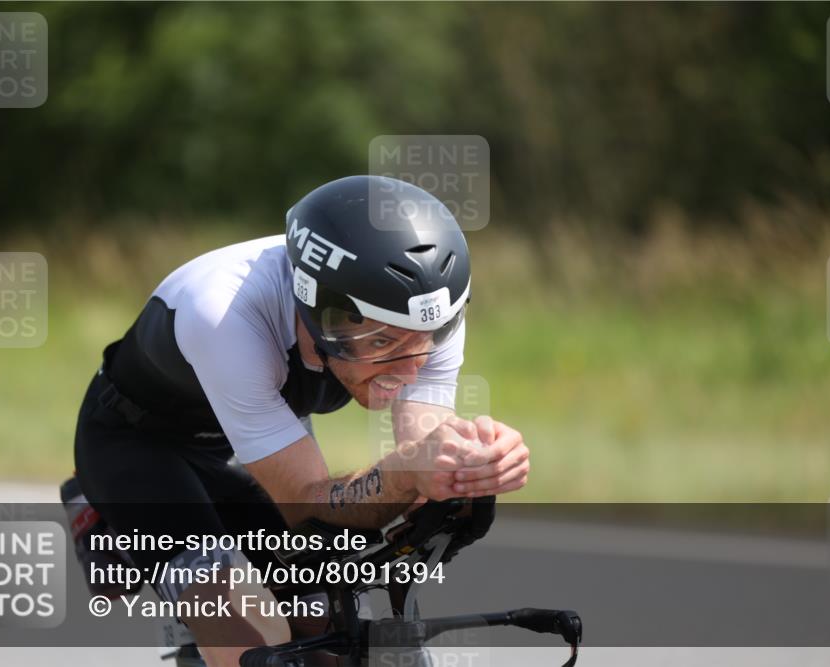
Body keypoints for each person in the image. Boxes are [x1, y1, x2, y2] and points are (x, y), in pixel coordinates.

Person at [72, 175, 531, 667]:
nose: (408, 370)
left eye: (427, 340)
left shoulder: (423, 309)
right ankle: (102, 516)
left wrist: (464, 466)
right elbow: (307, 505)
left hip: (253, 436)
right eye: (380, 342)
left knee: (326, 625)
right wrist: (407, 473)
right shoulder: (224, 315)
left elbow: (419, 449)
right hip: (141, 444)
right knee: (236, 634)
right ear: (317, 311)